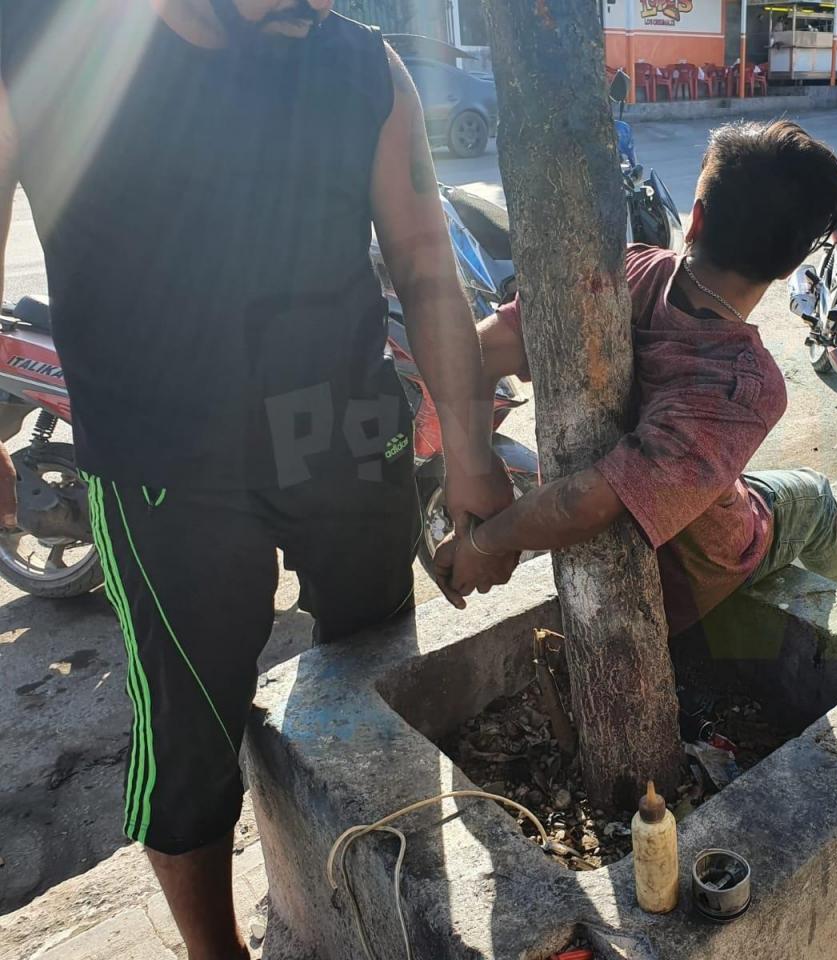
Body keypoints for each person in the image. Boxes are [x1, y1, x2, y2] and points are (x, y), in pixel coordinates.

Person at [0, 1, 514, 956]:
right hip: (163, 466)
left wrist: (474, 455)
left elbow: (422, 258)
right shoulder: (40, 42)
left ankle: (383, 900)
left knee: (380, 690)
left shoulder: (364, 68)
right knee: (189, 742)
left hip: (348, 441)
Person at [434, 121, 837, 633]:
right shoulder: (745, 386)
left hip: (638, 534)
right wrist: (483, 542)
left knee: (753, 484)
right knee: (814, 496)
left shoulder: (630, 269)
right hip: (695, 583)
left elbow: (474, 354)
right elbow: (584, 503)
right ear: (788, 267)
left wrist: (473, 477)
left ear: (697, 219)